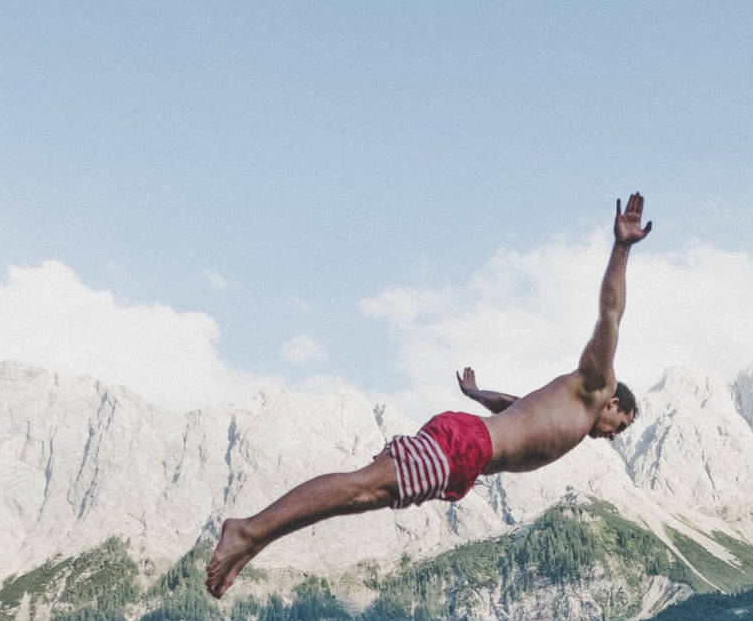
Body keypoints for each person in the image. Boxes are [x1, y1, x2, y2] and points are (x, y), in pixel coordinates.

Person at [205, 193, 651, 598]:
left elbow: (513, 408)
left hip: (468, 450)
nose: (613, 436)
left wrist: (478, 393)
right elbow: (610, 315)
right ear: (614, 403)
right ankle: (248, 530)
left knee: (365, 497)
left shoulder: (568, 406)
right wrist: (622, 248)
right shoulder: (597, 385)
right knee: (363, 488)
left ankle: (253, 540)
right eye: (621, 426)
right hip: (466, 446)